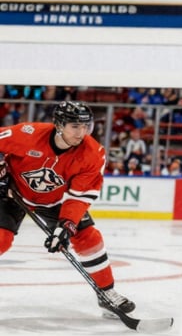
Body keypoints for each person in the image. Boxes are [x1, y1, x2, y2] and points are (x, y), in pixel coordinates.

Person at [0, 99, 137, 318]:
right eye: (75, 126)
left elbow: (79, 196)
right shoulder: (27, 133)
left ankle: (106, 293)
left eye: (86, 126)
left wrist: (66, 225)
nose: (81, 132)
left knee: (88, 238)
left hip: (55, 202)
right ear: (59, 124)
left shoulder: (93, 153)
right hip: (11, 192)